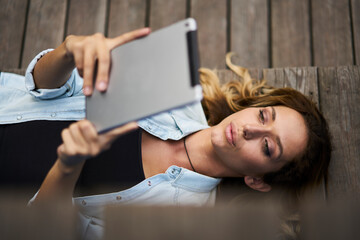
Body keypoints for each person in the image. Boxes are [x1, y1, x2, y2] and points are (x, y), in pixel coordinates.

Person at [1, 28, 331, 239]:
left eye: (268, 147)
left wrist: (69, 165)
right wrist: (69, 51)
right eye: (264, 115)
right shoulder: (172, 92)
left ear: (258, 181)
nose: (249, 129)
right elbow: (44, 89)